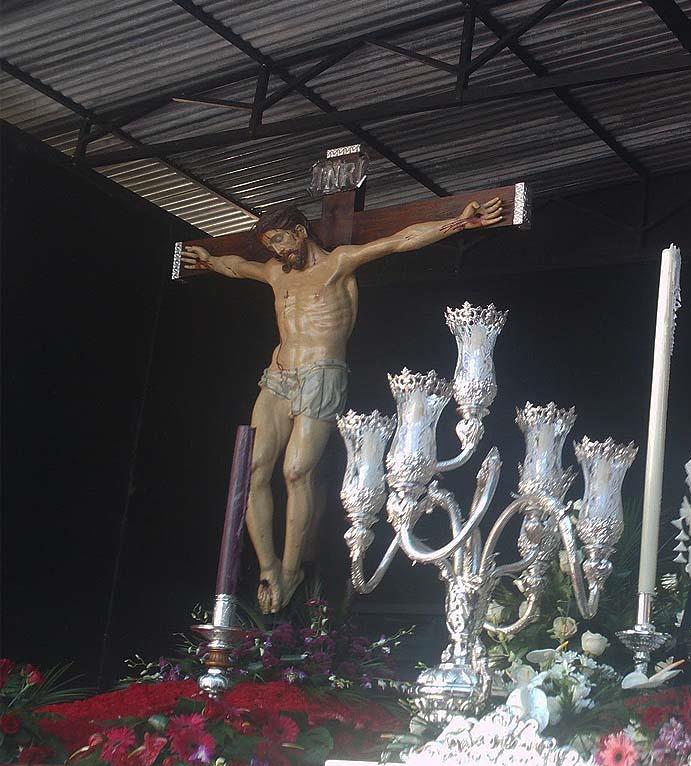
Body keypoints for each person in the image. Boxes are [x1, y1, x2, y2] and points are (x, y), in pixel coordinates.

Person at [180, 198, 503, 613]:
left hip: (322, 373)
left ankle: (293, 569)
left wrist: (457, 223)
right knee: (253, 468)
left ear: (300, 230)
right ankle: (268, 567)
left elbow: (399, 241)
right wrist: (208, 258)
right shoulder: (276, 272)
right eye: (270, 244)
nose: (278, 250)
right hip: (278, 374)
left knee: (297, 471)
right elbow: (236, 266)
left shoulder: (338, 263)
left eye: (281, 239)